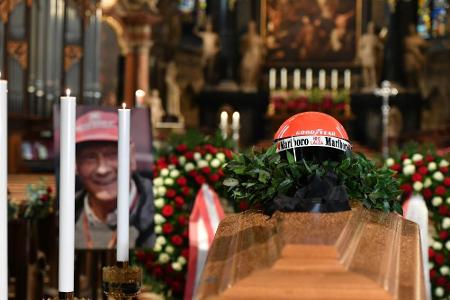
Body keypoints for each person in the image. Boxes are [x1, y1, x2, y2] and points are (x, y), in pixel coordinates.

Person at [74, 110, 155, 249]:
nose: (102, 169)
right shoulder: (63, 216)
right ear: (75, 165)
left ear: (132, 158)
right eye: (89, 157)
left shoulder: (163, 212)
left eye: (113, 155)